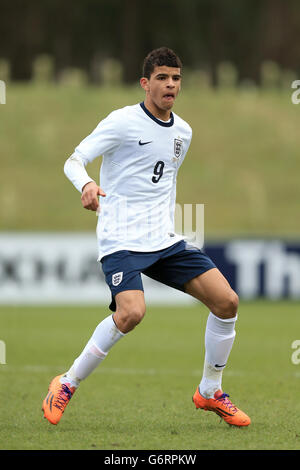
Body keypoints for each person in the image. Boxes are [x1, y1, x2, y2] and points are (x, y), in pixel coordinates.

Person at [42, 47, 250, 427]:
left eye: (176, 78)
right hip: (121, 238)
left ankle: (209, 391)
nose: (170, 84)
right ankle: (66, 383)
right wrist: (87, 184)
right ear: (145, 83)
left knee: (227, 301)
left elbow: (160, 182)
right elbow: (74, 159)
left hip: (164, 240)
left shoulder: (183, 132)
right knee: (132, 313)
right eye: (162, 78)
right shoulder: (122, 122)